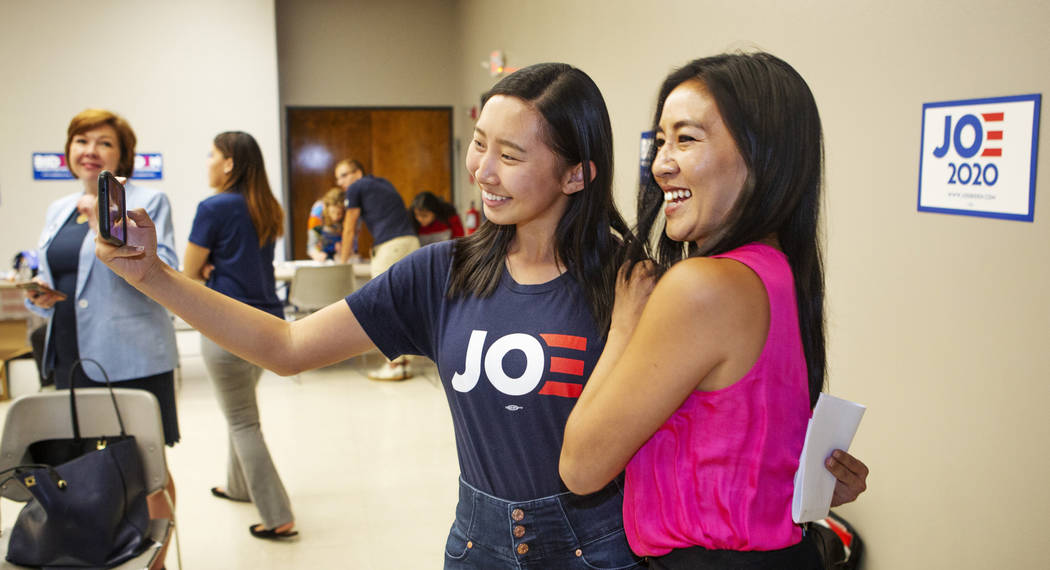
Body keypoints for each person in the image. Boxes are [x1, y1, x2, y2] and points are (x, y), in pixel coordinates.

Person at [95, 63, 867, 568]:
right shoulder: (445, 271)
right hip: (477, 541)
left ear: (577, 173)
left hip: (598, 548)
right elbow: (289, 346)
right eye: (479, 146)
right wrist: (155, 275)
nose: (481, 171)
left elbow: (714, 414)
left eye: (510, 154)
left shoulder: (637, 286)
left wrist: (802, 469)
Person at [560, 52, 861, 568]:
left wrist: (624, 328)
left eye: (687, 138)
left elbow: (581, 466)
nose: (660, 164)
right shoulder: (779, 274)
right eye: (660, 142)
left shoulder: (702, 286)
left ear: (761, 156)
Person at [26, 108, 179, 570]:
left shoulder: (147, 202)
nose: (90, 151)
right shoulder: (58, 209)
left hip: (130, 358)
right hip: (68, 353)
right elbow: (57, 276)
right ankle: (101, 553)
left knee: (146, 471)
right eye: (81, 140)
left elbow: (165, 272)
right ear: (68, 151)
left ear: (122, 154)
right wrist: (41, 296)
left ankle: (156, 563)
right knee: (81, 467)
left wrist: (101, 224)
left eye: (104, 143)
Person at [182, 131, 297, 540]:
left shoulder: (212, 207)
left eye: (212, 154)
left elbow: (189, 272)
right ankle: (237, 485)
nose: (208, 161)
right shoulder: (266, 206)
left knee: (242, 421)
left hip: (226, 327)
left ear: (229, 162)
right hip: (269, 328)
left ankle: (278, 514)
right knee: (242, 413)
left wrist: (210, 267)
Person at [334, 158, 421, 380]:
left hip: (391, 246)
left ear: (357, 172)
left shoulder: (356, 187)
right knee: (405, 303)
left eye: (344, 175)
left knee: (384, 304)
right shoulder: (383, 184)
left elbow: (349, 227)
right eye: (338, 178)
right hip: (411, 242)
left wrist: (342, 262)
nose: (341, 182)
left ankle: (394, 366)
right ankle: (404, 362)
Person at [307, 187, 346, 261]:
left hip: (340, 258)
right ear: (326, 208)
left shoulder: (348, 214)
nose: (335, 217)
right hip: (322, 258)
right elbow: (311, 246)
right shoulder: (317, 214)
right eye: (333, 212)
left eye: (339, 213)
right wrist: (316, 255)